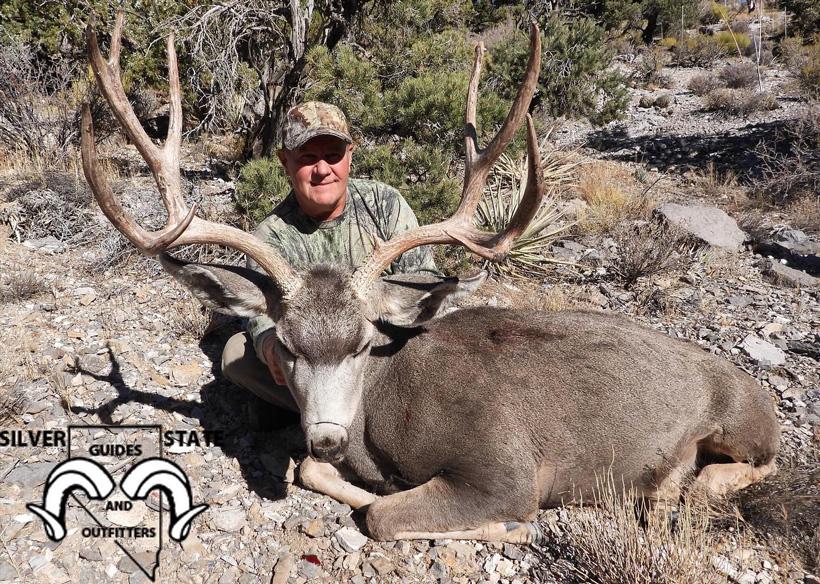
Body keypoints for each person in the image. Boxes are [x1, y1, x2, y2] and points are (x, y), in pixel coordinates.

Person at [220, 101, 440, 420]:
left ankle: (313, 413)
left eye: (333, 156)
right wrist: (269, 347)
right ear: (284, 161)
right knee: (236, 356)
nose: (322, 170)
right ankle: (330, 412)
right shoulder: (270, 237)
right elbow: (263, 313)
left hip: (382, 358)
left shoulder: (385, 204)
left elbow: (424, 282)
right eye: (307, 158)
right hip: (313, 363)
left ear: (350, 155)